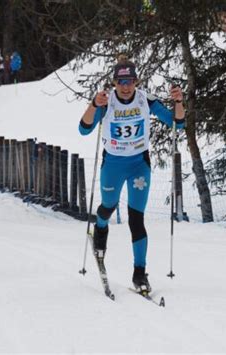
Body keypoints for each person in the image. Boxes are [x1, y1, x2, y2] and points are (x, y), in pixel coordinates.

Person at [78, 55, 185, 292]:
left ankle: (139, 273)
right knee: (108, 206)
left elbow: (177, 123)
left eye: (129, 82)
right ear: (114, 82)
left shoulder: (145, 99)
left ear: (136, 81)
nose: (125, 87)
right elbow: (83, 129)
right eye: (121, 82)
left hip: (139, 164)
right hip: (113, 164)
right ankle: (101, 228)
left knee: (137, 219)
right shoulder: (106, 102)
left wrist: (178, 101)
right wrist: (94, 105)